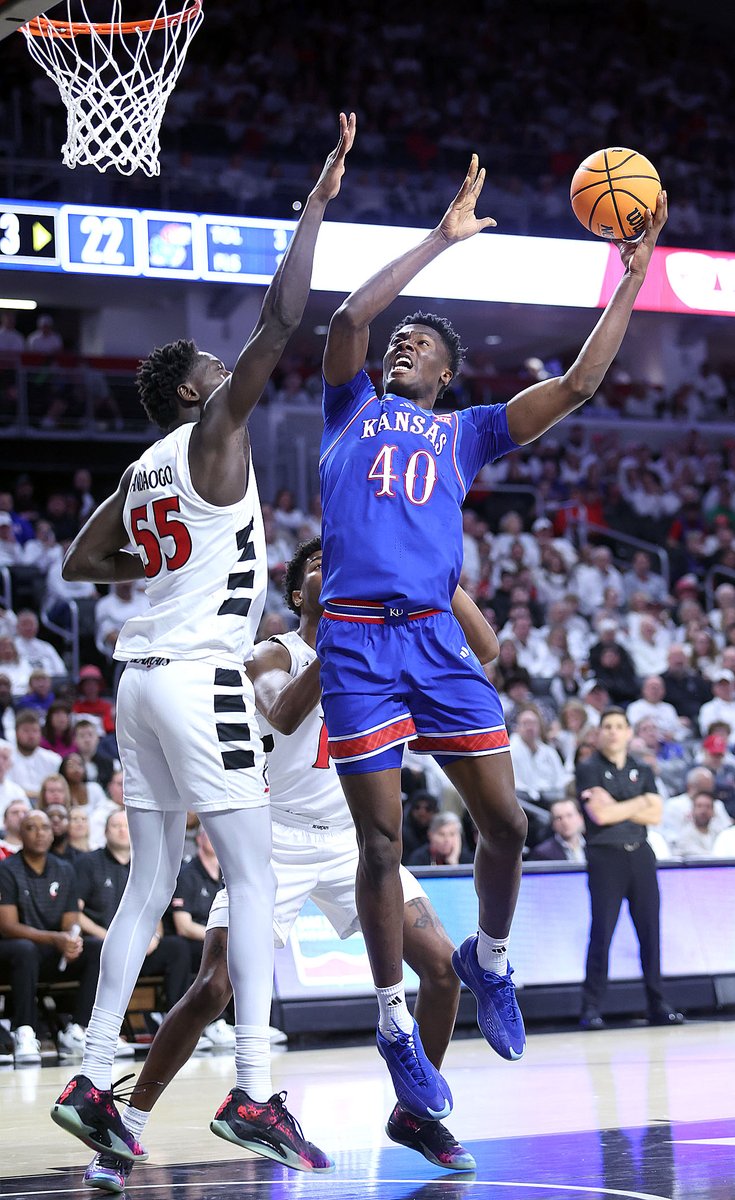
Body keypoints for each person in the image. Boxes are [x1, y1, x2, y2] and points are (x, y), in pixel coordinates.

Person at [316, 153, 667, 1114]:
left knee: (507, 825)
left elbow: (580, 384)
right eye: (401, 341)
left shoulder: (467, 431)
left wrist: (633, 278)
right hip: (354, 641)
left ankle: (491, 958)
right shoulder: (348, 408)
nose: (402, 346)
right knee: (380, 843)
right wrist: (439, 239)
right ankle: (393, 1024)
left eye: (421, 344)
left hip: (436, 640)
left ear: (447, 372)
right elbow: (347, 322)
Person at [51, 114, 355, 1167]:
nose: (234, 373)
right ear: (193, 391)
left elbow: (82, 562)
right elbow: (283, 315)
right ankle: (256, 1091)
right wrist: (314, 207)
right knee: (255, 881)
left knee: (149, 885)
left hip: (137, 682)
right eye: (217, 369)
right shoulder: (215, 431)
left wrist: (161, 559)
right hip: (197, 677)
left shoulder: (142, 468)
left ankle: (93, 1075)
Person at [82, 536, 488, 1192]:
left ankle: (417, 1115)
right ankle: (122, 1131)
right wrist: (345, 637)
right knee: (213, 986)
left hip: (356, 843)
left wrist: (435, 579)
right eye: (320, 569)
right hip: (274, 840)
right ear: (298, 593)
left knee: (443, 970)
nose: (338, 572)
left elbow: (483, 652)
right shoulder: (272, 654)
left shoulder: (384, 650)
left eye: (345, 563)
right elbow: (285, 711)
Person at [576, 708, 684, 1030]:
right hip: (605, 857)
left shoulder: (642, 768)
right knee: (602, 932)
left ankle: (657, 1003)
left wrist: (617, 805)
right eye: (607, 726)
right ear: (599, 733)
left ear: (628, 733)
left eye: (619, 726)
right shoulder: (588, 768)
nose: (613, 731)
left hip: (641, 854)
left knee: (650, 932)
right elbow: (600, 815)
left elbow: (656, 814)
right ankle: (591, 1007)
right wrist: (638, 803)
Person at [0, 809, 103, 1066]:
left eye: (45, 828)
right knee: (24, 949)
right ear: (20, 834)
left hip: (51, 951)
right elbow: (7, 926)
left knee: (95, 948)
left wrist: (71, 940)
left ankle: (78, 1029)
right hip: (16, 953)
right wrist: (55, 939)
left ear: (52, 833)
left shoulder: (64, 869)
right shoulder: (7, 869)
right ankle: (24, 1031)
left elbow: (71, 921)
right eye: (31, 828)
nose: (39, 833)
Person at [76, 810, 190, 1030]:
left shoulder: (147, 864)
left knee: (177, 948)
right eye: (116, 826)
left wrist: (154, 937)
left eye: (126, 826)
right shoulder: (88, 863)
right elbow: (76, 913)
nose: (122, 831)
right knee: (97, 949)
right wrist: (109, 937)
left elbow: (154, 907)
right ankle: (88, 1026)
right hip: (102, 942)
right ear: (105, 832)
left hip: (140, 946)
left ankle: (177, 1024)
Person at [8, 708, 61, 801]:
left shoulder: (53, 759)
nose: (31, 736)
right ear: (16, 733)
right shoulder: (6, 759)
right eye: (26, 731)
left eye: (35, 731)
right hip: (15, 803)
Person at [527, 797, 586, 862]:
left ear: (581, 818)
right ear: (552, 824)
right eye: (559, 818)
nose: (565, 822)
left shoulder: (593, 846)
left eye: (569, 815)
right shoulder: (542, 853)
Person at [406, 811, 474, 866]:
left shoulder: (468, 860)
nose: (447, 840)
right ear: (430, 835)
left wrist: (453, 862)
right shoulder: (419, 858)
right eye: (441, 834)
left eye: (452, 834)